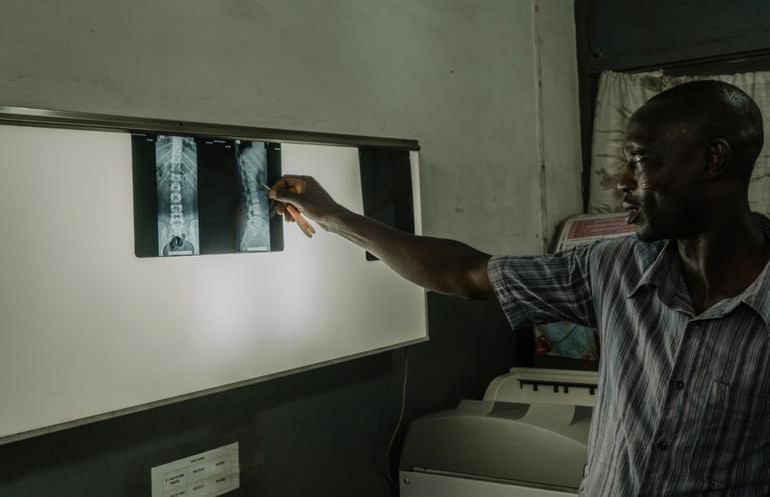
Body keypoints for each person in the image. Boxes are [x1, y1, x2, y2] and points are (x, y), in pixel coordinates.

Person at [268, 80, 770, 496]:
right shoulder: (613, 268)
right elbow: (464, 273)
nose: (620, 180)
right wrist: (332, 216)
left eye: (639, 160)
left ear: (712, 161)